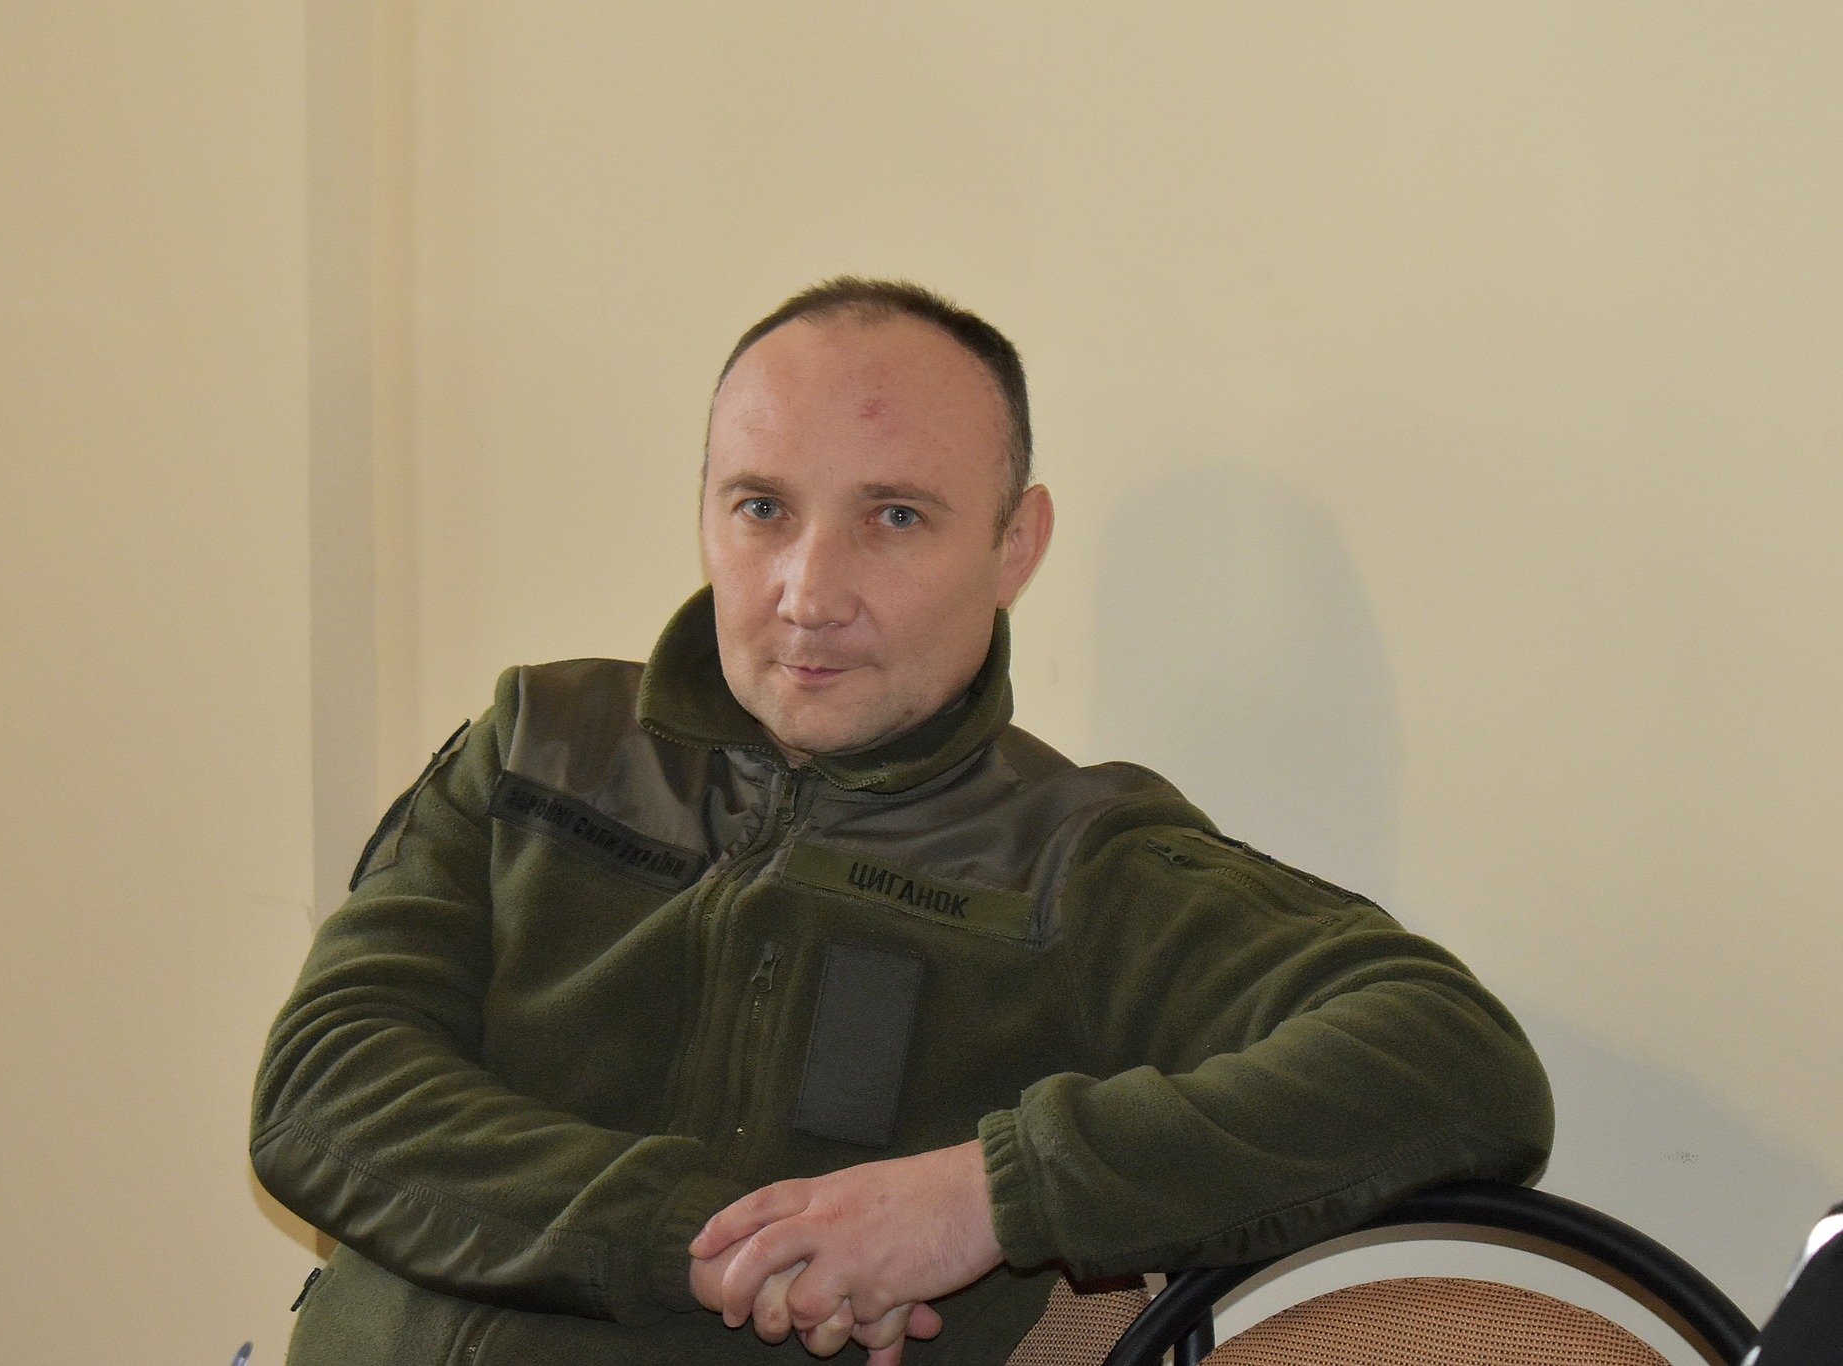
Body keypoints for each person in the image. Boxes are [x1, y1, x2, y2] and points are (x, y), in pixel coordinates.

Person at [250, 278, 1554, 1364]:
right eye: (762, 507)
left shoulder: (1078, 861)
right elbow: (324, 1089)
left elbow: (1453, 1060)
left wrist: (986, 1195)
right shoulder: (539, 743)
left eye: (895, 517)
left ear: (1014, 546)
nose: (809, 591)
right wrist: (704, 1241)